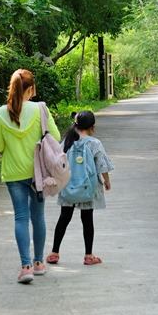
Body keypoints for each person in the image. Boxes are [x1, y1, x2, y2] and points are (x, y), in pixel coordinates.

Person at [0, 69, 60, 284]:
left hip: (13, 173)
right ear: (30, 89)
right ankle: (39, 263)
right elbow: (55, 137)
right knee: (37, 217)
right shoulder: (40, 109)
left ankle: (26, 267)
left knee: (20, 217)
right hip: (37, 174)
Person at [46, 110, 114, 266]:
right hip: (87, 188)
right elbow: (102, 166)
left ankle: (54, 252)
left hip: (68, 186)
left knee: (64, 218)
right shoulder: (94, 143)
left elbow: (57, 163)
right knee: (87, 219)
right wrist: (107, 181)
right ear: (92, 127)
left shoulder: (67, 141)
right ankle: (88, 256)